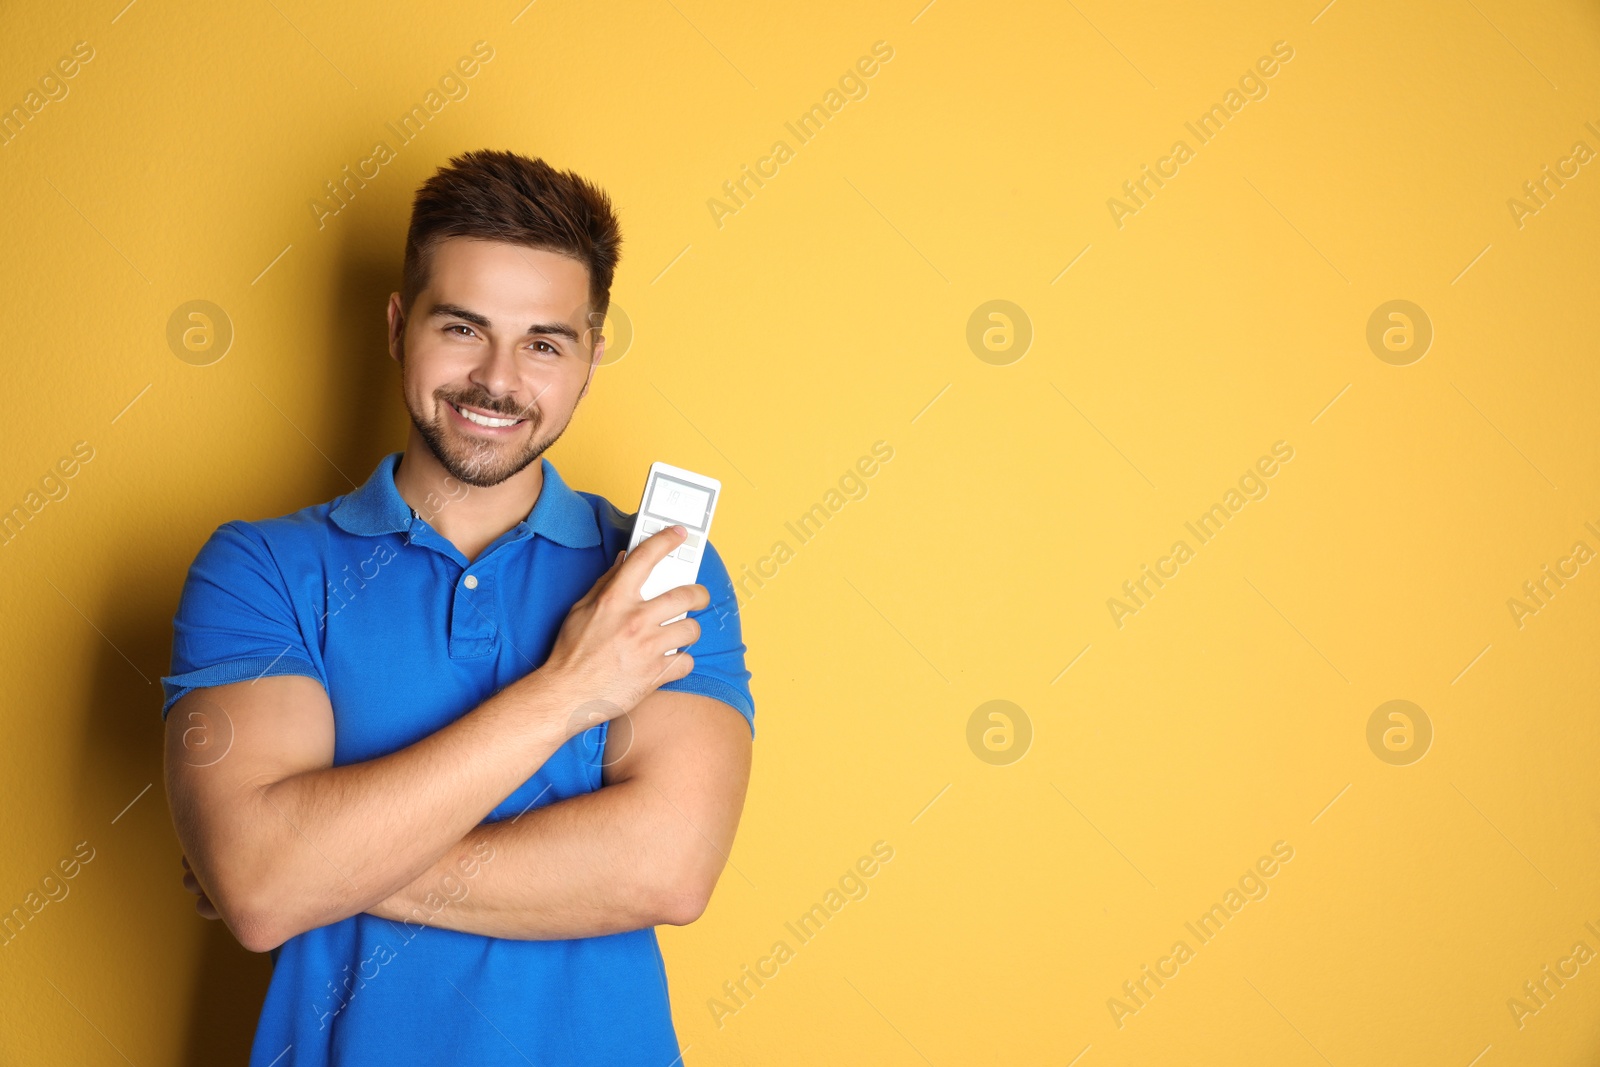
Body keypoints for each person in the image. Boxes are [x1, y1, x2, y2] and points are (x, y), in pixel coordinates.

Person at [160, 149, 755, 1066]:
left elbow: (668, 869)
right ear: (399, 326)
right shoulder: (260, 569)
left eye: (544, 343)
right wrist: (569, 691)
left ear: (591, 358)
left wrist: (325, 863)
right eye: (463, 327)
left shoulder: (660, 572)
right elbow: (262, 883)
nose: (498, 380)